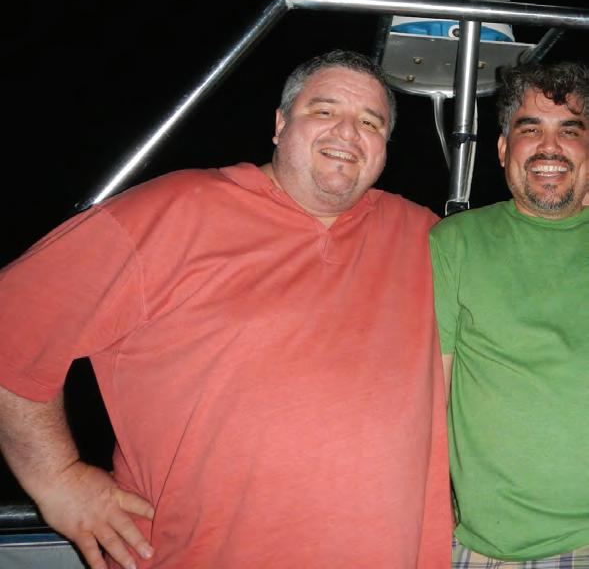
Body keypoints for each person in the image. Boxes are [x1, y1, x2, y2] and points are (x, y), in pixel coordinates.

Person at [0, 49, 452, 569]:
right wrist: (56, 479)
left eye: (371, 123)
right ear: (280, 125)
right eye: (324, 110)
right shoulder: (175, 209)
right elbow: (14, 324)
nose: (348, 133)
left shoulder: (423, 236)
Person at [429, 61, 589, 567]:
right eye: (530, 129)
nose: (550, 148)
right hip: (483, 546)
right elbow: (434, 393)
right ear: (502, 150)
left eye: (570, 131)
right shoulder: (455, 242)